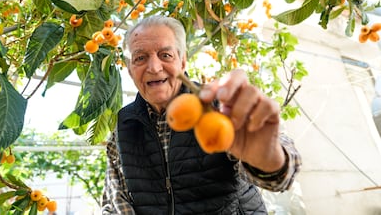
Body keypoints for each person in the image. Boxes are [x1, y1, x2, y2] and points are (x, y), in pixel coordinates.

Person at [102, 15, 302, 214]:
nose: (154, 67)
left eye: (165, 55)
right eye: (140, 58)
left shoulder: (220, 106)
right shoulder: (124, 126)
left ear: (182, 62)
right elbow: (115, 200)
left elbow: (281, 176)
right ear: (129, 70)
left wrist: (270, 160)